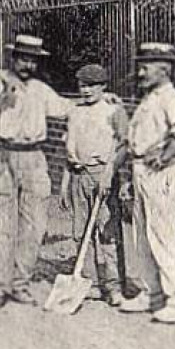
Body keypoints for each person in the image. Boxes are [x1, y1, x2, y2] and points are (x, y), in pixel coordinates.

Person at [0, 33, 72, 310]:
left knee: (35, 225)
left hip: (34, 159)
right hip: (1, 157)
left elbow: (67, 109)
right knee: (1, 226)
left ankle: (20, 283)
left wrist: (100, 101)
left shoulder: (40, 90)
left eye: (33, 60)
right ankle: (0, 287)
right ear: (13, 58)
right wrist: (2, 97)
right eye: (23, 58)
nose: (27, 65)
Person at [118, 42, 175, 325]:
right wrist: (131, 174)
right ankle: (151, 293)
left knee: (164, 233)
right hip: (142, 171)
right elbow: (136, 142)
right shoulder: (149, 99)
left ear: (165, 69)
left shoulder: (171, 98)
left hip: (161, 174)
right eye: (140, 66)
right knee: (142, 235)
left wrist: (162, 158)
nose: (140, 72)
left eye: (146, 66)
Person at [58, 63, 130, 306]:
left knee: (107, 232)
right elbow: (68, 153)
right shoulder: (75, 112)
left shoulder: (113, 111)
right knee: (81, 233)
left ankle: (113, 286)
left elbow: (123, 146)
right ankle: (88, 281)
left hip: (103, 175)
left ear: (103, 86)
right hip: (78, 176)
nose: (86, 90)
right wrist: (64, 184)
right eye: (82, 85)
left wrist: (112, 176)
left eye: (92, 85)